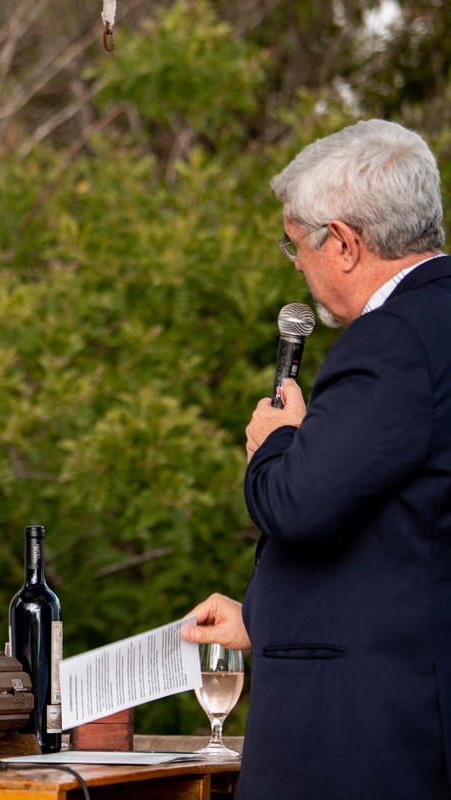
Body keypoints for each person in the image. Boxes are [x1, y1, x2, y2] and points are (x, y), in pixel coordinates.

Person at [185, 119, 451, 798]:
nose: (297, 264)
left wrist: (276, 441)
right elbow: (406, 534)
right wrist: (265, 617)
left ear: (343, 243)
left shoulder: (394, 339)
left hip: (362, 733)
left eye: (296, 244)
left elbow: (299, 503)